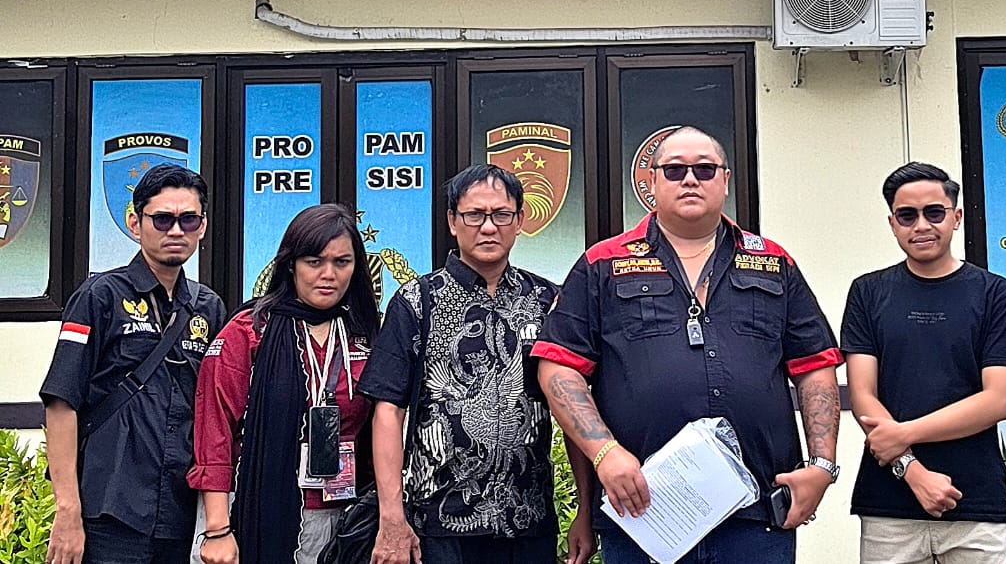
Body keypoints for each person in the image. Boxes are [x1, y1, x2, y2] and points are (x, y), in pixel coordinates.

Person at [534, 125, 842, 564]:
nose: (691, 179)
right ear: (652, 181)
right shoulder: (603, 263)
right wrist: (605, 454)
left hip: (757, 514)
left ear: (725, 180)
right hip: (644, 511)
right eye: (675, 170)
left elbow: (815, 366)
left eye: (705, 169)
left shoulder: (773, 262)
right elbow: (559, 367)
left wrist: (822, 466)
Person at [358, 164, 594, 564]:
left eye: (501, 215)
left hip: (527, 519)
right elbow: (387, 411)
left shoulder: (547, 301)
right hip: (439, 523)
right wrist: (392, 515)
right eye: (474, 215)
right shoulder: (418, 302)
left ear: (519, 220)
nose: (488, 227)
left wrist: (585, 509)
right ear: (453, 221)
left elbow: (571, 405)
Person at [842, 162, 1006, 564]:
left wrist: (903, 434)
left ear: (956, 217)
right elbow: (863, 396)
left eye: (934, 212)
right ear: (892, 224)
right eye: (907, 216)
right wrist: (913, 471)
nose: (921, 226)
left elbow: (998, 401)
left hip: (977, 505)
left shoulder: (995, 294)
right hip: (889, 508)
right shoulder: (867, 293)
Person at [41, 163, 226, 564]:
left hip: (179, 511)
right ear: (135, 223)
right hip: (109, 511)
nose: (175, 231)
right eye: (162, 219)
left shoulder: (209, 308)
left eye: (188, 219)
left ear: (202, 227)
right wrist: (67, 510)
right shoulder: (99, 296)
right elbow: (61, 402)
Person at [189, 203, 380, 564]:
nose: (328, 274)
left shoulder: (365, 335)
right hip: (247, 513)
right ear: (291, 264)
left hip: (344, 517)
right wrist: (217, 530)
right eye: (314, 261)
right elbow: (215, 431)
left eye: (342, 262)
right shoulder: (249, 331)